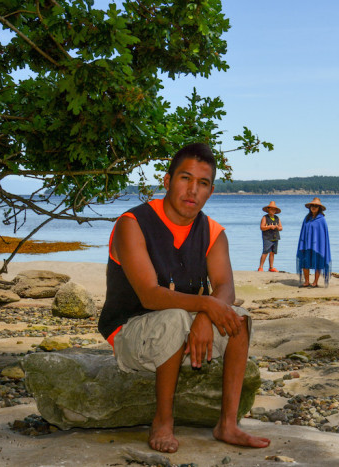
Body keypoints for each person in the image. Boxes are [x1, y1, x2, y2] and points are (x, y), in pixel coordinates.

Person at [97, 143, 270, 453]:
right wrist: (205, 305)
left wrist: (206, 316)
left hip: (181, 331)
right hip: (129, 333)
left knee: (239, 320)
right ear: (167, 181)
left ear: (211, 191)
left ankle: (228, 424)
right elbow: (149, 295)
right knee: (177, 318)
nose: (193, 190)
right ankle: (163, 421)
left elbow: (226, 288)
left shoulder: (213, 232)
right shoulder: (132, 223)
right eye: (184, 179)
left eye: (202, 183)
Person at [296, 197, 331, 287]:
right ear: (310, 207)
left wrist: (321, 246)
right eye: (312, 205)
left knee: (318, 262)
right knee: (304, 261)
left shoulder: (322, 220)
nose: (314, 207)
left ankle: (315, 282)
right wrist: (302, 243)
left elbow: (323, 235)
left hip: (318, 246)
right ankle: (307, 281)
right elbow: (303, 232)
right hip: (306, 244)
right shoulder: (307, 218)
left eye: (316, 206)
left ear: (319, 208)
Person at [258, 201, 282, 272]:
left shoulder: (277, 218)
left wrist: (277, 227)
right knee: (265, 252)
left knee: (272, 252)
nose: (273, 211)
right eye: (271, 209)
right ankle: (261, 267)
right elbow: (262, 227)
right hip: (267, 237)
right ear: (268, 209)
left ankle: (271, 267)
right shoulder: (265, 217)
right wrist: (269, 227)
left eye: (274, 209)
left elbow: (281, 228)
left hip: (275, 237)